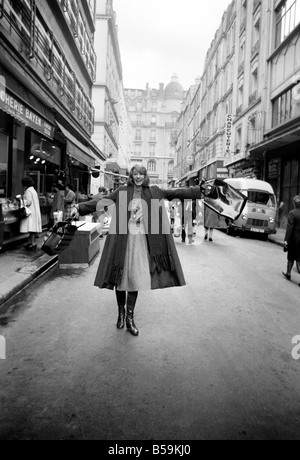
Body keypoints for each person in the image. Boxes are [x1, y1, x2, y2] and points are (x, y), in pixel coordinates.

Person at [73, 164, 204, 337]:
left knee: (135, 278)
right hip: (122, 240)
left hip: (141, 241)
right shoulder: (122, 191)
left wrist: (199, 190)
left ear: (145, 175)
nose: (138, 177)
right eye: (135, 174)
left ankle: (130, 318)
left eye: (141, 174)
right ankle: (120, 313)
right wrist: (79, 207)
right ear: (131, 176)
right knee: (119, 278)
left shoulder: (154, 191)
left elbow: (177, 193)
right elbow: (102, 202)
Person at [19, 177, 42, 251]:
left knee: (31, 229)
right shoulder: (33, 190)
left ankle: (32, 244)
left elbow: (28, 201)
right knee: (32, 229)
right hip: (34, 212)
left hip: (31, 213)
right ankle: (31, 243)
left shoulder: (28, 191)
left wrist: (21, 201)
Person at [282, 195, 300, 285]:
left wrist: (286, 240)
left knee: (291, 257)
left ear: (294, 204)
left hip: (294, 239)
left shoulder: (292, 213)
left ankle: (288, 273)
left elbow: (290, 228)